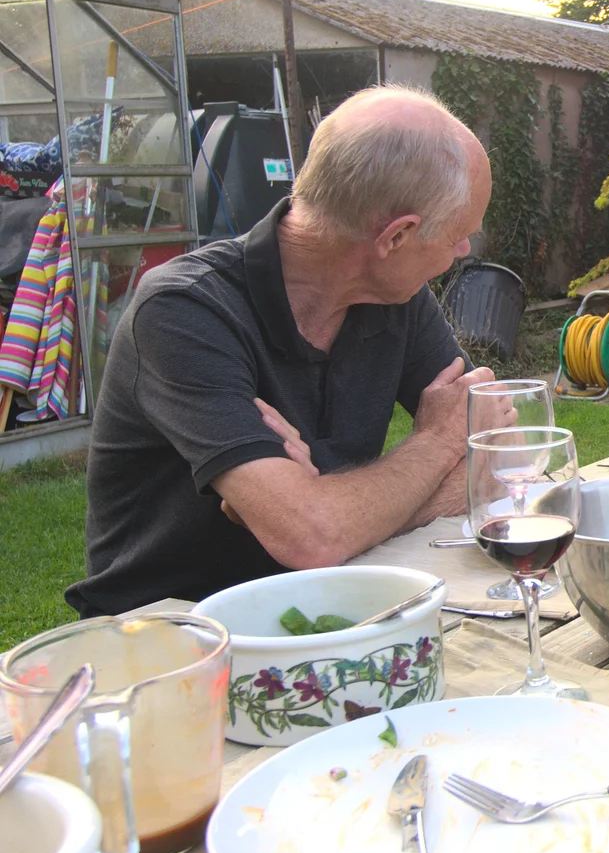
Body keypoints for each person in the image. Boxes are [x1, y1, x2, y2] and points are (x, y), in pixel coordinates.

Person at [68, 86, 496, 617]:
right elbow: (313, 539)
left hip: (331, 608)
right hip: (175, 639)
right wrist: (434, 444)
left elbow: (497, 464)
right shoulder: (184, 311)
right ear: (396, 236)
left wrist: (331, 512)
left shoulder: (396, 297)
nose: (464, 252)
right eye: (460, 235)